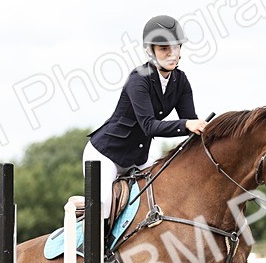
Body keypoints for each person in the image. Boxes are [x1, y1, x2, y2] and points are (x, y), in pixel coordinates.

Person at [84, 15, 208, 224]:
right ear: (151, 51)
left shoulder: (181, 81)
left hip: (139, 158)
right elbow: (149, 126)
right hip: (105, 155)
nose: (171, 54)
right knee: (103, 203)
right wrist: (187, 125)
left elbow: (190, 123)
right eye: (164, 49)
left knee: (166, 194)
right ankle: (92, 253)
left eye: (175, 48)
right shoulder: (138, 78)